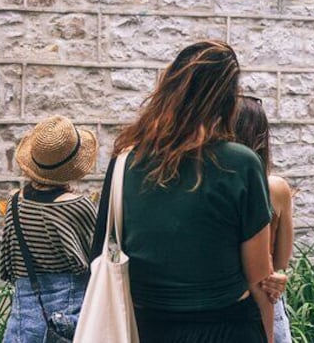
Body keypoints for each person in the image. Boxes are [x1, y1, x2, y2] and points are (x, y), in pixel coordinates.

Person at [101, 40, 272, 343]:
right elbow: (260, 278)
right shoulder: (241, 164)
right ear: (227, 99)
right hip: (226, 327)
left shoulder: (125, 161)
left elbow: (104, 247)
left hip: (147, 327)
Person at [0, 115, 98, 342]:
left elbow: (9, 263)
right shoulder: (77, 205)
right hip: (68, 311)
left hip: (23, 315)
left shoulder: (15, 202)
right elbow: (95, 257)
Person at [236, 95, 294, 343]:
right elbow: (281, 258)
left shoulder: (210, 188)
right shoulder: (276, 189)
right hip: (266, 291)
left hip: (225, 297)